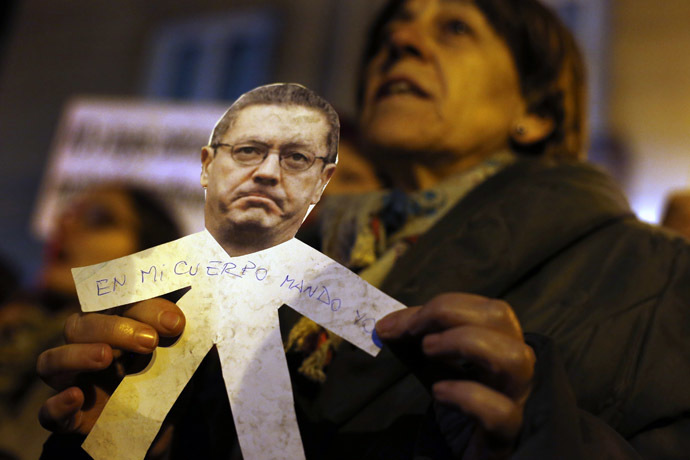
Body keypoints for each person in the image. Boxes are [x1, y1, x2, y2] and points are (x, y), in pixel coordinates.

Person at [38, 2, 690, 459]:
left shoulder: (660, 276)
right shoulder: (263, 267)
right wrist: (127, 437)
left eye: (456, 27)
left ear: (536, 110)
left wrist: (540, 436)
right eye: (389, 35)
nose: (400, 43)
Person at [0, 185, 180, 460]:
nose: (64, 225)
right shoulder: (19, 329)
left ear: (148, 255)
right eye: (68, 214)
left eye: (99, 220)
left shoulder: (133, 363)